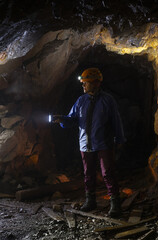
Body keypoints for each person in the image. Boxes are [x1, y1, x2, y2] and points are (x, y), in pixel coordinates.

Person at [53, 68, 126, 217]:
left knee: (108, 173)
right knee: (88, 174)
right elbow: (72, 119)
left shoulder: (107, 100)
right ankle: (90, 201)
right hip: (85, 143)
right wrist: (62, 119)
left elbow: (116, 121)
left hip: (103, 143)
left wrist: (119, 139)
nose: (83, 86)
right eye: (83, 83)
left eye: (85, 83)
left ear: (95, 83)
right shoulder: (81, 101)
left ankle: (115, 203)